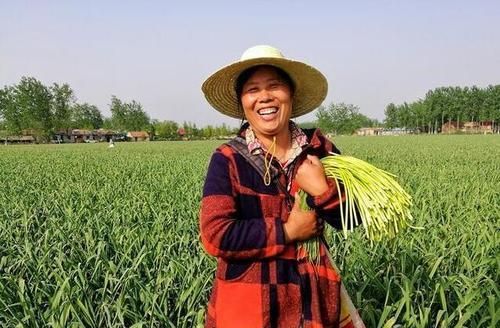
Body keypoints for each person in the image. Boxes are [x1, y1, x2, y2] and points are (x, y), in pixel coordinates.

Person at [200, 45, 359, 328]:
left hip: (313, 301)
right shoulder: (228, 159)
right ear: (242, 102)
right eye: (252, 90)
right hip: (249, 305)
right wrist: (287, 230)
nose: (264, 97)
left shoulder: (319, 150)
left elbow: (353, 218)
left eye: (274, 86)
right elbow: (216, 236)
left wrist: (323, 190)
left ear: (291, 94)